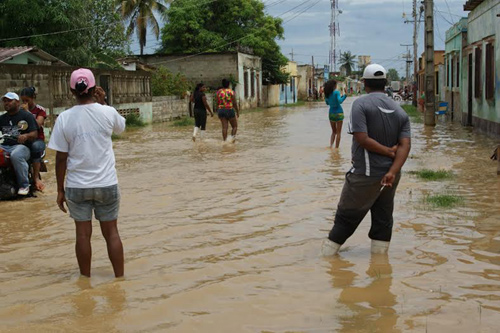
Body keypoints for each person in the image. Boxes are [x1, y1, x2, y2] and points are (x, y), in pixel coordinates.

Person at [322, 64, 411, 255]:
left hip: (364, 174)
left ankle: (325, 261)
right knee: (383, 218)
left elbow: (361, 138)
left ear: (364, 84)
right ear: (385, 83)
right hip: (391, 176)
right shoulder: (400, 111)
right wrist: (392, 172)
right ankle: (380, 268)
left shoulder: (360, 105)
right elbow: (405, 145)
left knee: (345, 219)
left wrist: (387, 152)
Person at [48, 68, 126, 278]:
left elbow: (61, 158)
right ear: (94, 89)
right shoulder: (107, 112)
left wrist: (59, 189)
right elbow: (121, 128)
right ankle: (120, 280)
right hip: (107, 184)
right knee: (112, 233)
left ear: (71, 91)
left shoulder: (64, 118)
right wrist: (104, 103)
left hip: (77, 186)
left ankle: (85, 280)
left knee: (82, 235)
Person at [0, 92, 39, 195]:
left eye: (9, 100)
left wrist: (25, 136)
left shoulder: (26, 115)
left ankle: (24, 185)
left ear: (17, 102)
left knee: (16, 155)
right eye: (5, 101)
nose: (6, 103)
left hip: (22, 147)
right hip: (5, 145)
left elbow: (35, 133)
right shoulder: (2, 118)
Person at [20, 87, 46, 191]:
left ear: (33, 98)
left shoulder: (40, 110)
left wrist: (27, 113)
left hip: (37, 140)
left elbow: (38, 124)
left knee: (35, 148)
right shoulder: (19, 111)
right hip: (24, 139)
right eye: (23, 101)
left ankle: (35, 178)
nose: (25, 103)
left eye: (27, 100)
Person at [324, 80, 347, 148]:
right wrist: (345, 96)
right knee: (339, 133)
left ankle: (331, 146)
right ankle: (336, 148)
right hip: (339, 112)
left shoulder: (327, 94)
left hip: (331, 114)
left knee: (333, 132)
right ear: (334, 86)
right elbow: (340, 101)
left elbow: (327, 103)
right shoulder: (336, 92)